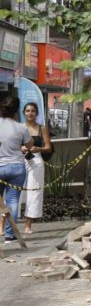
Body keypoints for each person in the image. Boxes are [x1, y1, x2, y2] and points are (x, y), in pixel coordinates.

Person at [0, 96, 34, 243]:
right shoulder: (21, 127)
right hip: (16, 167)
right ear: (17, 110)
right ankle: (9, 235)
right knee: (12, 201)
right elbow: (30, 144)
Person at [21, 102, 51, 234]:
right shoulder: (19, 127)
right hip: (20, 160)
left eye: (33, 111)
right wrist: (20, 148)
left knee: (34, 192)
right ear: (24, 113)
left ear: (37, 113)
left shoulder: (42, 128)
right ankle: (4, 224)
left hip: (36, 161)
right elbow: (11, 145)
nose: (30, 113)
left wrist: (38, 148)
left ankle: (28, 225)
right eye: (28, 111)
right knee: (14, 191)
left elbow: (48, 147)